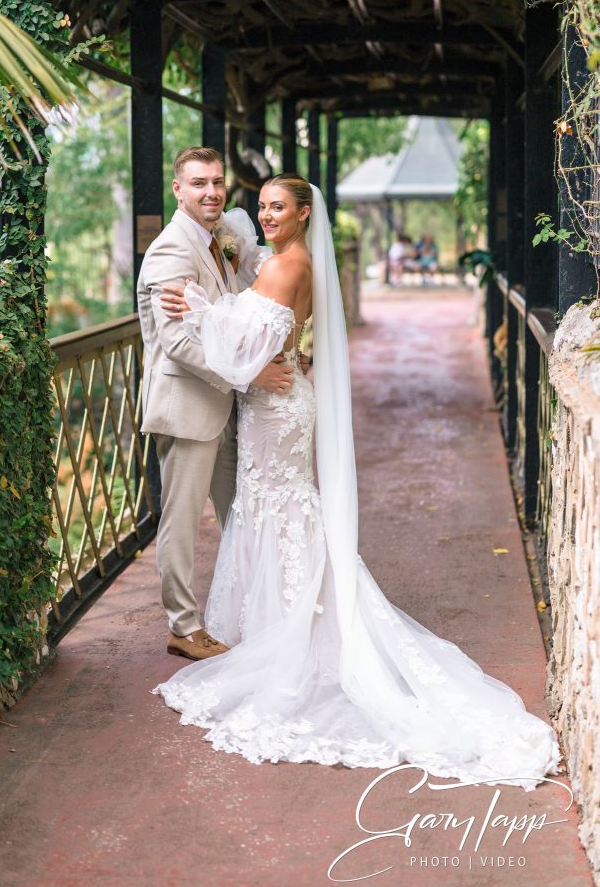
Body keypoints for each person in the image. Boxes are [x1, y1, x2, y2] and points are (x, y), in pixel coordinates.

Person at [151, 174, 561, 790]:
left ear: (303, 212)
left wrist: (203, 308)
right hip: (279, 402)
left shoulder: (287, 267)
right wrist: (228, 296)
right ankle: (275, 622)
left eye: (277, 207)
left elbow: (242, 352)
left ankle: (299, 631)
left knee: (281, 509)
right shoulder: (280, 259)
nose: (264, 216)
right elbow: (256, 335)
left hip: (277, 406)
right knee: (271, 507)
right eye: (260, 206)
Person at [136, 147, 294, 663]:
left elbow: (231, 317)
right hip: (188, 405)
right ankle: (183, 626)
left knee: (241, 512)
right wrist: (252, 372)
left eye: (218, 183)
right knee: (181, 521)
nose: (212, 192)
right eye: (199, 183)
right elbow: (179, 344)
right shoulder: (171, 252)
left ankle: (250, 609)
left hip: (226, 403)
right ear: (177, 189)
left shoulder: (217, 239)